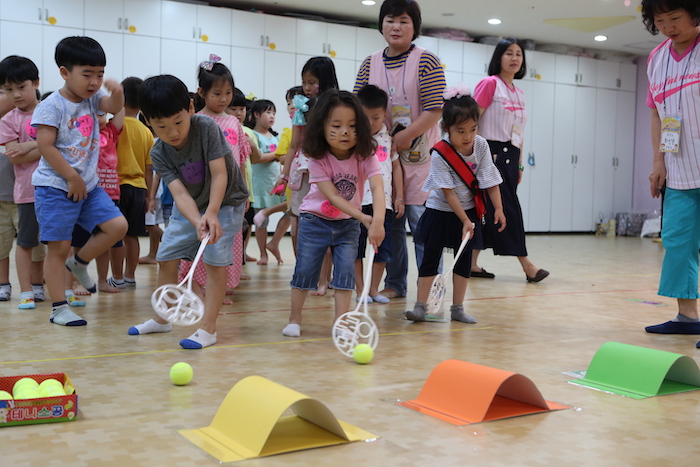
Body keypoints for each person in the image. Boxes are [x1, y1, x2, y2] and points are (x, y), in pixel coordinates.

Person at [128, 74, 247, 349]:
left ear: (191, 108)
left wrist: (212, 212)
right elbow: (179, 193)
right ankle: (162, 318)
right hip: (191, 204)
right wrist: (197, 219)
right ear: (148, 120)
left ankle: (209, 328)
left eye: (179, 122)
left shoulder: (206, 127)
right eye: (161, 126)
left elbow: (220, 174)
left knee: (215, 259)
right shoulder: (159, 152)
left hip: (226, 201)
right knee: (167, 256)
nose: (173, 133)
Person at [31, 36, 128, 326]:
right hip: (56, 186)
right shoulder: (52, 106)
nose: (95, 81)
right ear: (64, 72)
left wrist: (118, 92)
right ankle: (59, 307)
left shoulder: (94, 99)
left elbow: (112, 105)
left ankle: (81, 262)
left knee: (117, 226)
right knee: (59, 248)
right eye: (87, 74)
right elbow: (45, 146)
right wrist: (71, 177)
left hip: (89, 184)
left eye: (99, 74)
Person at [353, 0, 446, 301]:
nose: (396, 26)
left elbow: (435, 109)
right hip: (380, 159)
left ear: (415, 27)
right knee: (391, 224)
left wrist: (404, 136)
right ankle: (396, 284)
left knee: (423, 228)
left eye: (404, 21)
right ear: (381, 25)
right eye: (390, 20)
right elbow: (355, 110)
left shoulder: (427, 60)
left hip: (419, 159)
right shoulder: (369, 64)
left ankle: (430, 294)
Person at [282, 90, 385, 338]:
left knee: (345, 274)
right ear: (322, 127)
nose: (345, 132)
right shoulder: (317, 158)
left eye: (352, 126)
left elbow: (378, 188)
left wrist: (378, 221)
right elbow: (333, 197)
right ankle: (294, 318)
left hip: (347, 225)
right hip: (314, 221)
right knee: (305, 270)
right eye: (336, 126)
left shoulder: (366, 155)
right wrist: (364, 218)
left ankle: (341, 323)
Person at [405, 89, 505, 322]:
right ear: (446, 129)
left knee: (463, 260)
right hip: (440, 212)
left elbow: (489, 178)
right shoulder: (440, 152)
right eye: (460, 131)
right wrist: (465, 221)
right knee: (430, 257)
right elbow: (448, 194)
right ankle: (421, 306)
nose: (468, 136)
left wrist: (498, 208)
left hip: (468, 212)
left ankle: (457, 309)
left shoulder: (480, 146)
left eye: (473, 129)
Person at [641, 0, 700, 343]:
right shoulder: (657, 58)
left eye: (675, 18)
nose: (667, 26)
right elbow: (656, 114)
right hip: (678, 167)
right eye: (660, 20)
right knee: (678, 240)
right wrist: (658, 161)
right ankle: (687, 315)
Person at [471, 38, 549, 283]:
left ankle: (471, 264)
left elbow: (519, 131)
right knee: (507, 210)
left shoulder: (519, 92)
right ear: (498, 57)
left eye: (519, 54)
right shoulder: (490, 84)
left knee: (487, 209)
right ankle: (527, 265)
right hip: (489, 152)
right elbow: (470, 121)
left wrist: (520, 163)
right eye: (509, 53)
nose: (515, 58)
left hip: (510, 156)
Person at [177, 58, 251, 304]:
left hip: (230, 196)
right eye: (217, 93)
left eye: (228, 93)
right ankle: (195, 284)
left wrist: (245, 193)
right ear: (201, 93)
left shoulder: (234, 122)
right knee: (199, 239)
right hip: (203, 194)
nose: (223, 99)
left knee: (225, 241)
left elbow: (240, 161)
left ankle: (217, 285)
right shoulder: (196, 121)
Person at [275, 56, 339, 294]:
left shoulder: (336, 104)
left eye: (314, 82)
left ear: (326, 81)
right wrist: (284, 175)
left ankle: (326, 278)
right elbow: (294, 145)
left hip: (329, 171)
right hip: (302, 171)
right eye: (305, 82)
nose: (309, 87)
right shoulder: (301, 106)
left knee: (328, 223)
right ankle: (308, 275)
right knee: (301, 224)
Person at [0, 56, 47, 309]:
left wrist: (29, 145)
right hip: (27, 192)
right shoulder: (8, 120)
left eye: (21, 87)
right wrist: (45, 146)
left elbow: (61, 147)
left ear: (36, 82)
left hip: (55, 190)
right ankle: (26, 290)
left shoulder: (51, 109)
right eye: (8, 89)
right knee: (26, 242)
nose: (15, 94)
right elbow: (15, 158)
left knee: (56, 243)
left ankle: (46, 286)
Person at [354, 84, 404, 304]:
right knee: (355, 249)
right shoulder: (353, 140)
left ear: (385, 114)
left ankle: (374, 289)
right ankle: (359, 289)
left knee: (382, 249)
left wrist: (399, 196)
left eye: (376, 118)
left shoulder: (389, 140)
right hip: (357, 204)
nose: (371, 123)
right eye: (365, 118)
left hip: (384, 206)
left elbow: (396, 168)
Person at [107, 76, 154, 289]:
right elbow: (149, 167)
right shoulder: (146, 132)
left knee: (115, 235)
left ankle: (116, 278)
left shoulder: (114, 126)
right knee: (133, 235)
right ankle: (130, 276)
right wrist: (149, 195)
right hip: (138, 188)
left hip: (115, 188)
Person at [245, 99, 286, 265]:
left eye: (274, 113)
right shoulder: (253, 135)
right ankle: (263, 254)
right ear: (256, 114)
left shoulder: (275, 136)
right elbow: (257, 159)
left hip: (276, 182)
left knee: (290, 210)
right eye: (268, 113)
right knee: (261, 222)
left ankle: (274, 242)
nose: (272, 116)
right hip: (260, 185)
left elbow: (281, 158)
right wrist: (277, 154)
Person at [226, 89, 259, 264]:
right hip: (229, 189)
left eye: (242, 109)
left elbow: (254, 159)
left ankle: (240, 259)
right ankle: (229, 263)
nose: (239, 113)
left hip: (246, 189)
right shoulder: (224, 128)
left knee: (244, 226)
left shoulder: (248, 132)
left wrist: (252, 144)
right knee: (230, 228)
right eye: (234, 109)